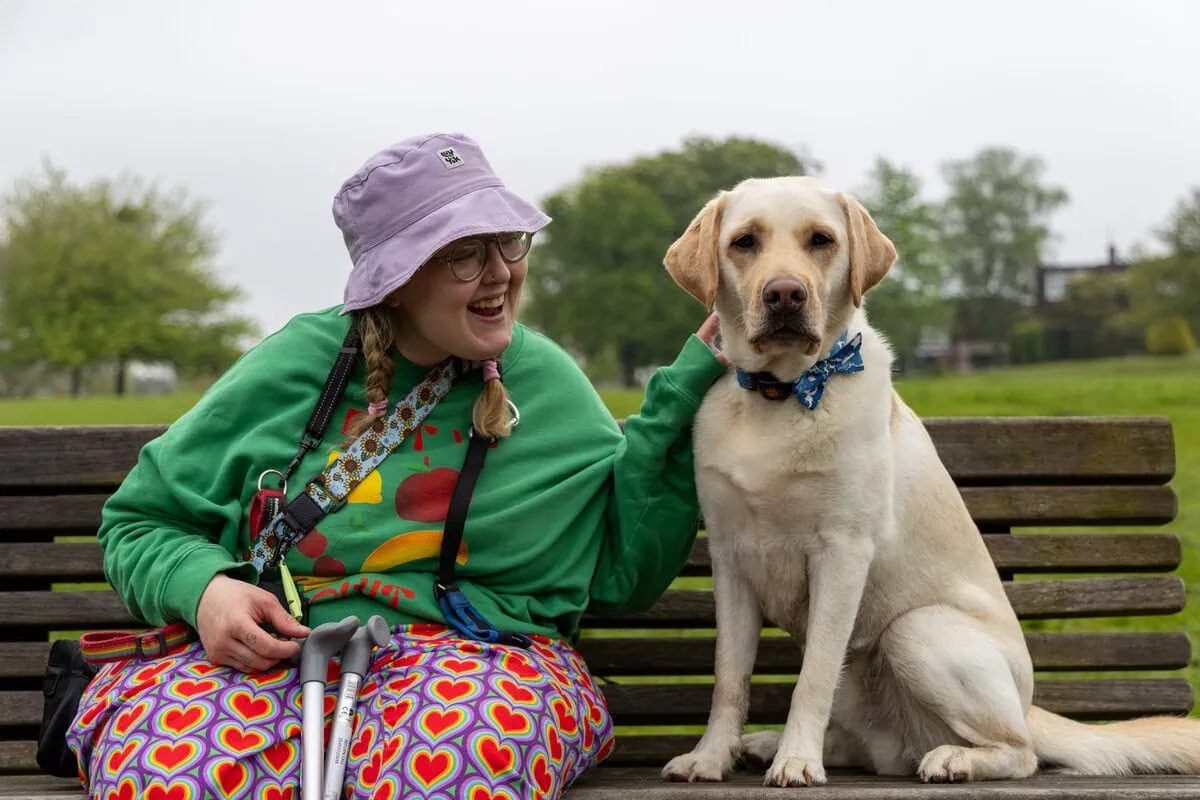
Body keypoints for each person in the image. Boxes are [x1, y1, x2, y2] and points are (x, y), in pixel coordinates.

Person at [65, 132, 728, 799]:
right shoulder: (295, 364)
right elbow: (140, 523)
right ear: (398, 279)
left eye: (508, 242)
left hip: (485, 666)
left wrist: (674, 408)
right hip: (279, 660)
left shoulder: (548, 385)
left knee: (456, 766)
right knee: (168, 774)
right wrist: (207, 590)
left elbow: (622, 575)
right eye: (465, 255)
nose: (499, 272)